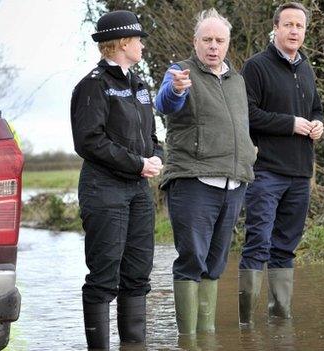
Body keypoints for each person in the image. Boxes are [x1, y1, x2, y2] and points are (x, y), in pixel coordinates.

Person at [154, 8, 256, 335]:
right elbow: (165, 103)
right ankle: (188, 338)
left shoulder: (237, 80)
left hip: (233, 181)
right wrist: (177, 89)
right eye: (207, 39)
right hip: (193, 180)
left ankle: (207, 336)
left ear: (228, 43)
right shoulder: (180, 72)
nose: (214, 46)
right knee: (192, 261)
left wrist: (251, 153)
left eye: (220, 40)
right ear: (195, 42)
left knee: (215, 263)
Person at [70, 10, 163, 349]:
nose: (142, 46)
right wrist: (137, 163)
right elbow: (89, 141)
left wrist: (156, 157)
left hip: (138, 192)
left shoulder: (140, 86)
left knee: (138, 273)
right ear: (123, 42)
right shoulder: (93, 86)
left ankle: (133, 345)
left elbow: (152, 136)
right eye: (138, 39)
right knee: (104, 276)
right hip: (103, 189)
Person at [238, 2, 324, 325]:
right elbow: (248, 114)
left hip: (301, 174)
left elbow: (316, 109)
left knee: (286, 247)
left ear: (304, 31)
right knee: (258, 242)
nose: (293, 31)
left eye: (299, 26)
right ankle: (246, 324)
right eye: (287, 24)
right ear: (275, 27)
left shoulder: (307, 68)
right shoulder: (256, 67)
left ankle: (279, 320)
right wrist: (290, 124)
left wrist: (318, 124)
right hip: (266, 172)